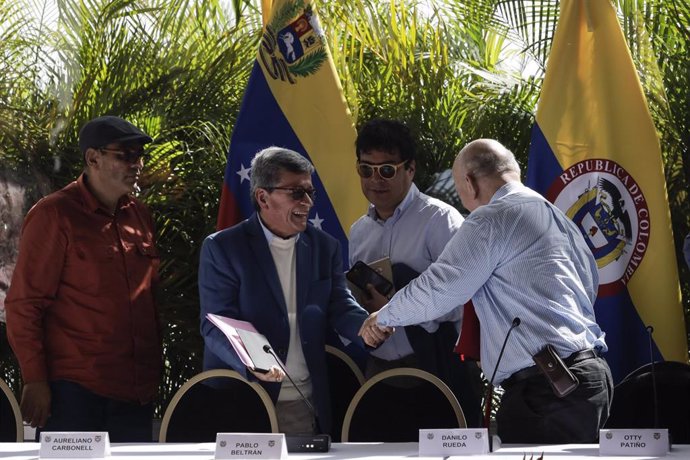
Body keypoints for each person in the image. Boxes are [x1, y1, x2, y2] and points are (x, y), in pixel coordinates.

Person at [360, 139, 613, 444]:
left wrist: (384, 316)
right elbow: (590, 287)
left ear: (469, 182)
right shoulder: (559, 218)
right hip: (585, 377)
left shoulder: (493, 217)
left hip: (547, 390)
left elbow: (441, 288)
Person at [5, 116, 161, 441]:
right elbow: (24, 305)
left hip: (136, 391)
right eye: (125, 155)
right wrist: (35, 379)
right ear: (93, 158)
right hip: (74, 393)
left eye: (139, 155)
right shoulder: (55, 215)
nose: (137, 164)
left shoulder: (139, 215)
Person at [199, 147, 374, 436]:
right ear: (263, 197)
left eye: (309, 192)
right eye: (296, 192)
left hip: (301, 402)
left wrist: (367, 324)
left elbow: (339, 304)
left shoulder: (324, 247)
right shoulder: (223, 248)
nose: (307, 202)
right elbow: (214, 323)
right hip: (243, 396)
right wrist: (252, 362)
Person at [348, 118, 482, 426]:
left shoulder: (439, 220)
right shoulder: (359, 232)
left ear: (410, 169)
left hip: (437, 368)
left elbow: (463, 297)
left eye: (386, 170)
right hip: (379, 371)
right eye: (366, 170)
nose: (375, 180)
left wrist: (397, 311)